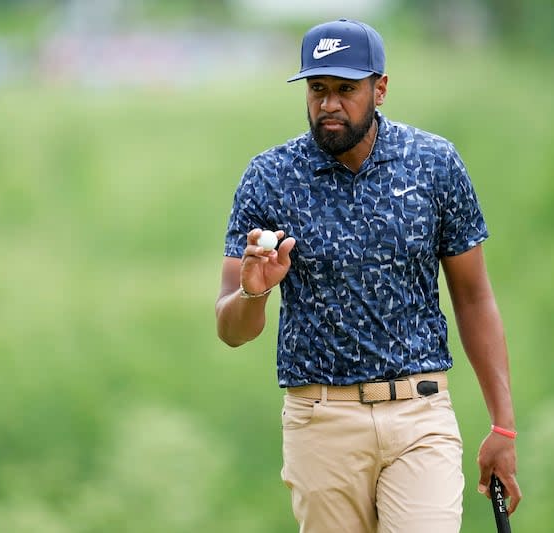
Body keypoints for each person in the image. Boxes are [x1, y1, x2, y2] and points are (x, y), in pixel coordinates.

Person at [215, 18, 520, 533]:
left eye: (345, 89)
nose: (329, 104)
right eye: (317, 89)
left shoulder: (434, 164)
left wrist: (503, 428)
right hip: (320, 424)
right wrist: (254, 291)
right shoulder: (268, 178)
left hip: (419, 416)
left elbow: (473, 298)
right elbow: (232, 329)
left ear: (379, 89)